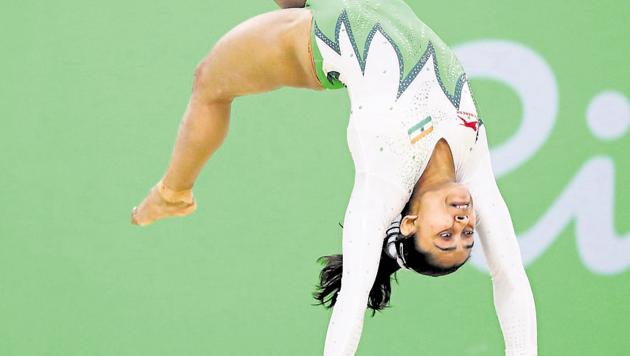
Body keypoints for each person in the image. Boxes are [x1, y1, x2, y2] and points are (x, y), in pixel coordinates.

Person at [130, 0, 538, 355]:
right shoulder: (474, 163)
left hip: (314, 39)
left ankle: (173, 191)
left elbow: (352, 300)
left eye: (444, 236)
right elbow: (509, 276)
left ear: (409, 223)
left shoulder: (385, 184)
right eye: (466, 237)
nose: (462, 226)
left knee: (210, 81)